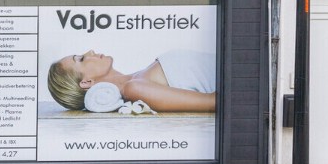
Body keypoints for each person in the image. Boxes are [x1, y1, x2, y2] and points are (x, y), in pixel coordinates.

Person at [46, 48, 216, 113]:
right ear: (86, 82)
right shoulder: (134, 88)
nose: (90, 51)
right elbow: (214, 102)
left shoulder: (139, 78)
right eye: (81, 58)